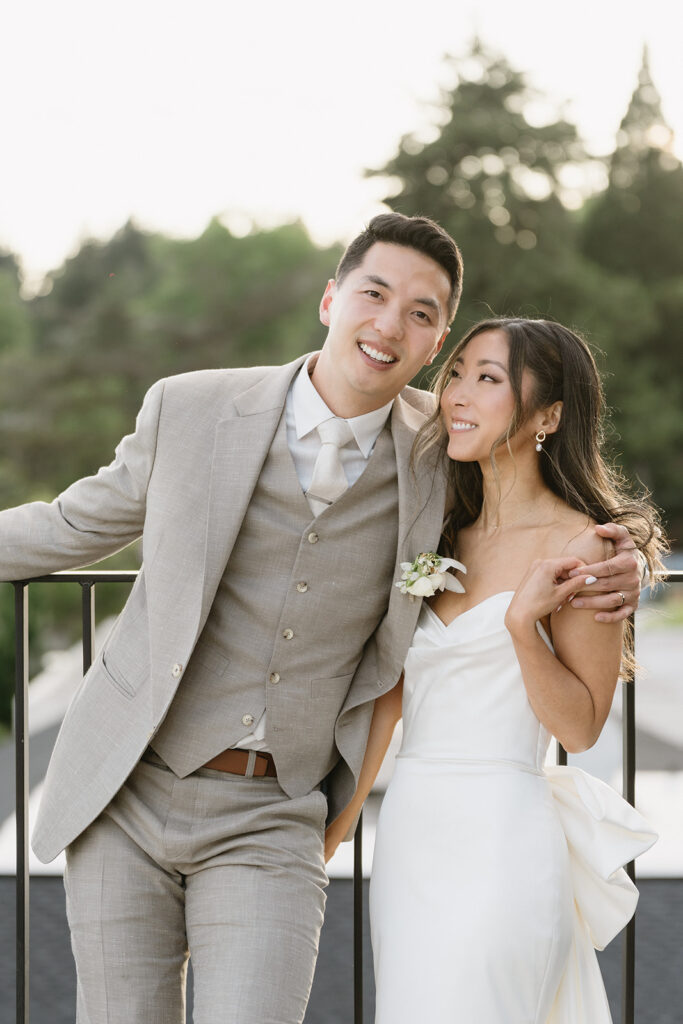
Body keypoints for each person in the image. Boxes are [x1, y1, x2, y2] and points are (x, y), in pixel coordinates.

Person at [2, 221, 643, 1024]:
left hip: (275, 812)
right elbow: (68, 526)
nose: (388, 324)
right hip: (125, 788)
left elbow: (536, 515)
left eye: (419, 313)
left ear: (434, 341)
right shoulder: (191, 407)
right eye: (373, 295)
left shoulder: (443, 451)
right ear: (331, 298)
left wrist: (615, 564)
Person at [324, 316, 664, 1022]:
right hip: (412, 832)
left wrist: (519, 626)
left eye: (487, 379)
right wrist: (337, 828)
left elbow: (581, 723)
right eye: (455, 374)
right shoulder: (436, 530)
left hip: (502, 836)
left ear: (548, 415)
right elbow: (390, 697)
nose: (457, 395)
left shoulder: (583, 545)